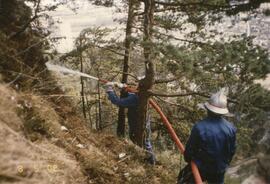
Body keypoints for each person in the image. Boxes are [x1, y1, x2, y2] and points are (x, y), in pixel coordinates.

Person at [178, 90, 237, 184]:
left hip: (201, 168)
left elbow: (190, 151)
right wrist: (224, 164)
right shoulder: (231, 129)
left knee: (183, 178)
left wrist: (189, 159)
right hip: (219, 169)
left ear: (208, 109)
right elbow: (232, 151)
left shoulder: (199, 127)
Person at [105, 82, 156, 165]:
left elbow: (118, 101)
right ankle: (146, 162)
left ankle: (151, 164)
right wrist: (123, 88)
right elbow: (131, 94)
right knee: (142, 143)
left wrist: (110, 90)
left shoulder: (135, 98)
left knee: (145, 145)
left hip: (139, 127)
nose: (136, 86)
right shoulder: (141, 96)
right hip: (142, 125)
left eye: (138, 85)